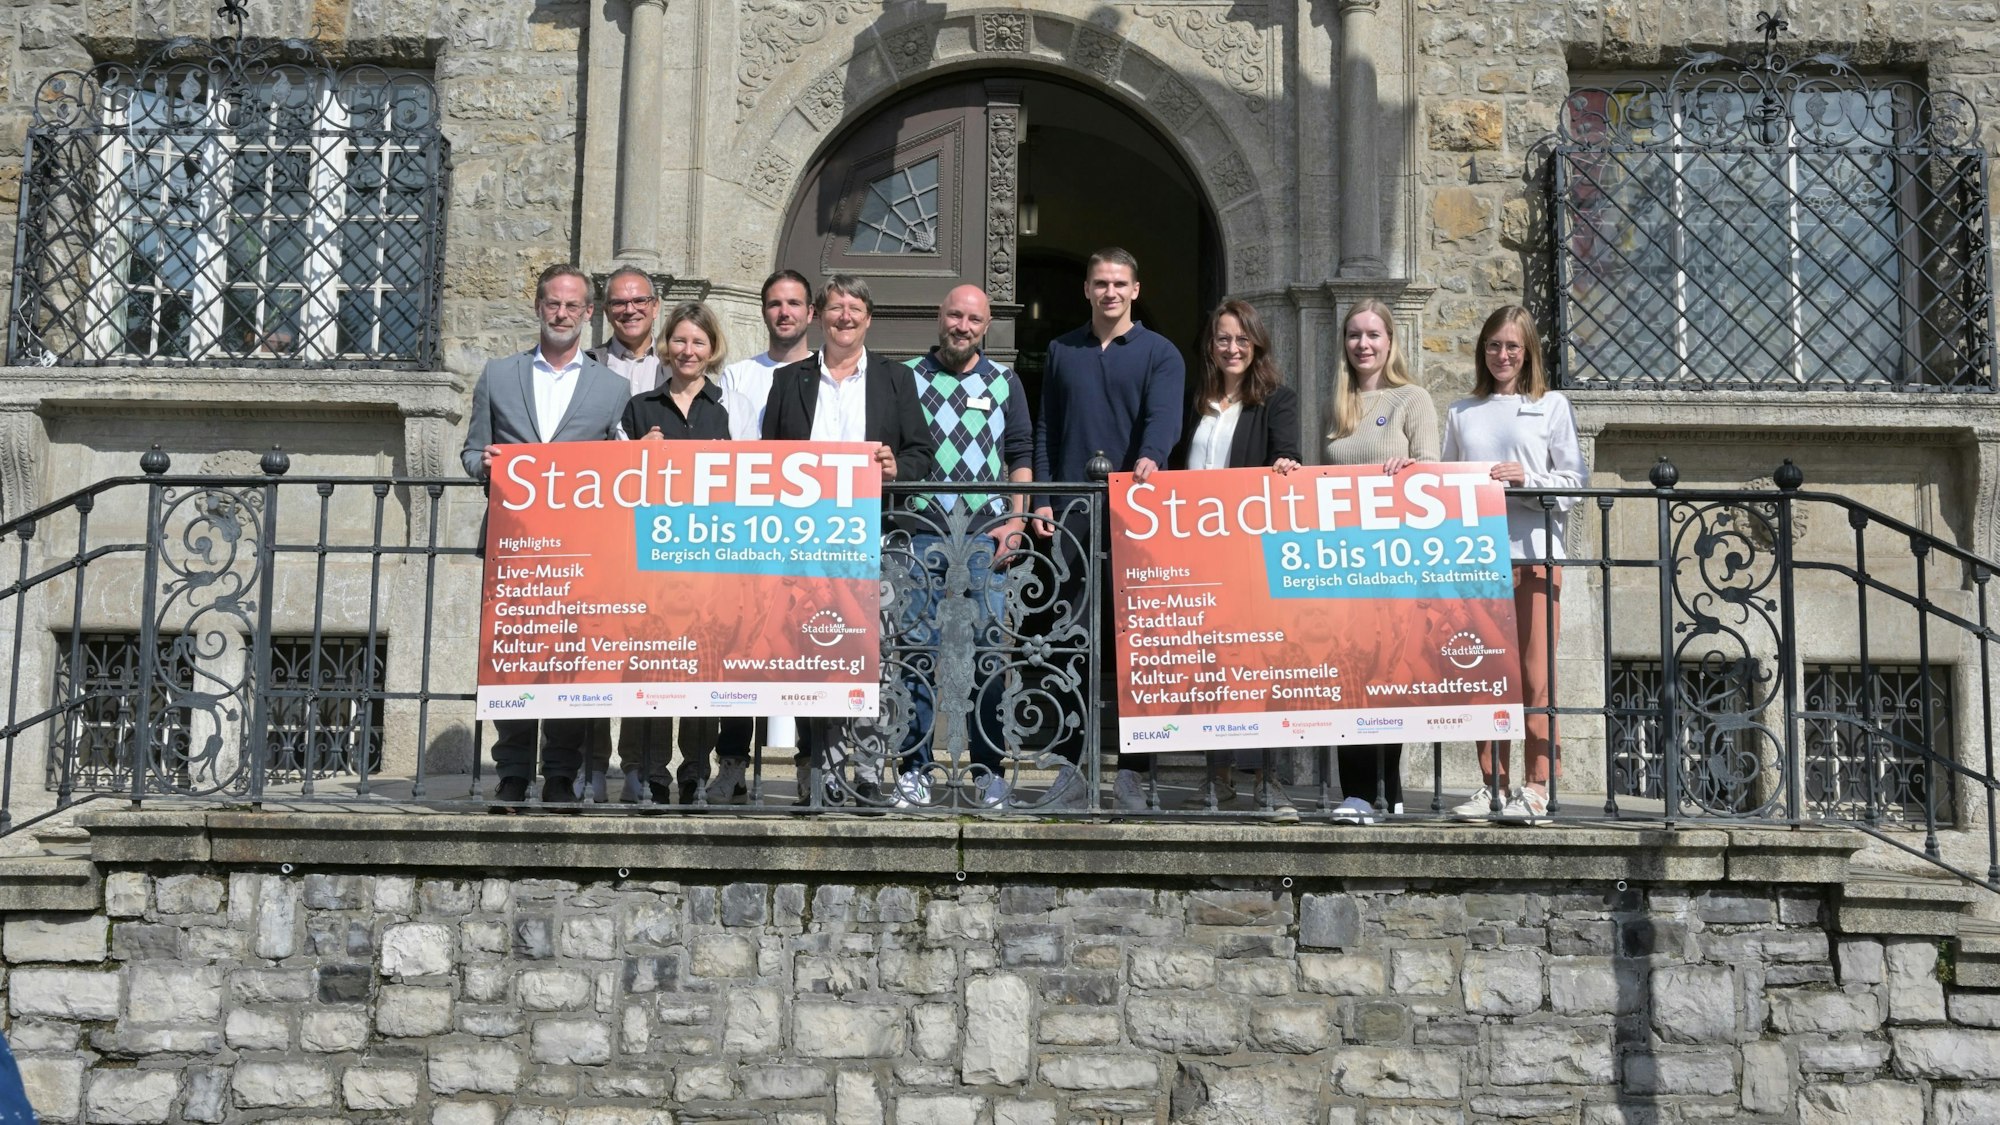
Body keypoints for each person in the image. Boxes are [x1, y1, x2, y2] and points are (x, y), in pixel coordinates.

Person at [759, 273, 937, 804]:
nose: (844, 317)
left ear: (868, 318)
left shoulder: (894, 379)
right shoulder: (789, 381)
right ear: (820, 315)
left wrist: (894, 466)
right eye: (835, 307)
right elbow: (769, 459)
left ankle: (865, 770)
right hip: (806, 543)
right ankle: (817, 772)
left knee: (873, 658)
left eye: (854, 308)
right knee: (814, 654)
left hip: (876, 538)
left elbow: (922, 456)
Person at [460, 263, 631, 811]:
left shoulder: (612, 387)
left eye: (572, 306)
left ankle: (560, 773)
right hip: (513, 544)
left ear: (588, 314)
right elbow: (470, 451)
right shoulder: (499, 374)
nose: (562, 314)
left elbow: (619, 469)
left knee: (571, 660)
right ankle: (511, 773)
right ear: (539, 308)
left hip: (580, 551)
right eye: (553, 304)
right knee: (512, 656)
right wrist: (484, 464)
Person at [1032, 247, 1184, 812]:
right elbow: (1047, 428)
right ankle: (1072, 769)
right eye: (1100, 283)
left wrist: (1150, 457)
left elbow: (1163, 418)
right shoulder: (1061, 349)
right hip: (1070, 520)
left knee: (1133, 648)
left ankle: (1132, 774)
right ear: (1088, 290)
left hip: (1133, 517)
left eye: (1120, 283)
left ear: (1135, 291)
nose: (1110, 292)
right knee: (1071, 645)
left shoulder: (1159, 353)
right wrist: (1043, 500)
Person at [1441, 304, 1586, 824]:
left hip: (1536, 555)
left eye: (1512, 347)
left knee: (1534, 673)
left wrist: (1527, 479)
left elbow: (1575, 482)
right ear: (1484, 351)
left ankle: (1537, 784)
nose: (1502, 355)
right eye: (1494, 346)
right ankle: (1492, 785)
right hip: (1479, 560)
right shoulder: (1462, 411)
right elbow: (1447, 489)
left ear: (1528, 353)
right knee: (1486, 673)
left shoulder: (1551, 405)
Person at [893, 284, 1033, 810]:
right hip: (923, 532)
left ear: (987, 324)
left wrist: (1015, 520)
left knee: (988, 659)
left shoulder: (1004, 381)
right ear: (939, 315)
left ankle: (987, 770)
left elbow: (1019, 451)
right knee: (919, 655)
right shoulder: (903, 376)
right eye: (955, 315)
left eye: (973, 319)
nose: (963, 326)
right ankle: (914, 769)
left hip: (985, 537)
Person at [1162, 297, 1301, 823]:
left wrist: (1285, 464)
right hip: (1197, 557)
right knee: (1210, 668)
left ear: (1256, 344)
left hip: (1250, 558)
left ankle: (1268, 779)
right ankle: (1216, 777)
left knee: (1258, 667)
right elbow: (1177, 465)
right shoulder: (1193, 400)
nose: (1232, 347)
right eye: (1223, 338)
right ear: (1212, 345)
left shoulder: (1275, 400)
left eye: (1242, 339)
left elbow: (1286, 456)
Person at [618, 301, 751, 805]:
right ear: (665, 346)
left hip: (712, 560)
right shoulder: (639, 408)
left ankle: (695, 771)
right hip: (651, 559)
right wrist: (635, 457)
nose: (687, 350)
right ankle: (649, 771)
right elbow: (615, 487)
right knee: (651, 661)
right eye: (679, 340)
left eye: (698, 341)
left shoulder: (732, 408)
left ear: (712, 348)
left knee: (702, 665)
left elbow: (752, 478)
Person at [1322, 297, 1439, 824]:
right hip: (1342, 558)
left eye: (1372, 334)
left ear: (1390, 341)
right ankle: (1356, 790)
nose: (1362, 344)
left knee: (1388, 670)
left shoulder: (1413, 399)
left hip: (1395, 559)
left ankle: (1388, 780)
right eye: (1354, 335)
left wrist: (1412, 468)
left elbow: (1435, 474)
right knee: (1350, 670)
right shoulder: (1338, 401)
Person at [704, 269, 819, 802]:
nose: (785, 313)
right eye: (775, 304)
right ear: (764, 311)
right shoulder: (738, 378)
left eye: (794, 303)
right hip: (747, 533)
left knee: (811, 650)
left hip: (815, 537)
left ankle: (810, 765)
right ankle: (731, 764)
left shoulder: (832, 377)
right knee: (740, 648)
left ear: (810, 312)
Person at [572, 265, 665, 804]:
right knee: (592, 652)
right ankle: (591, 764)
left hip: (653, 534)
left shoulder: (676, 366)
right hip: (598, 533)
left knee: (643, 655)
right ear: (604, 313)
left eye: (638, 302)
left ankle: (638, 767)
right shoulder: (585, 367)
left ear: (655, 305)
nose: (628, 311)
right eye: (617, 304)